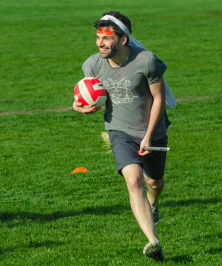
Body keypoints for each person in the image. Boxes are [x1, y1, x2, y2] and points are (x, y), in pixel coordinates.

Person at [72, 11, 171, 261]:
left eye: (106, 38)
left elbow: (159, 99)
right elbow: (85, 91)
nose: (100, 43)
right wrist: (78, 105)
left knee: (154, 183)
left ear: (123, 40)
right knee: (134, 181)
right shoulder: (92, 64)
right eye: (97, 38)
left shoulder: (147, 61)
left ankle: (154, 203)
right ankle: (153, 241)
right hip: (119, 130)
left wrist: (148, 136)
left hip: (153, 131)